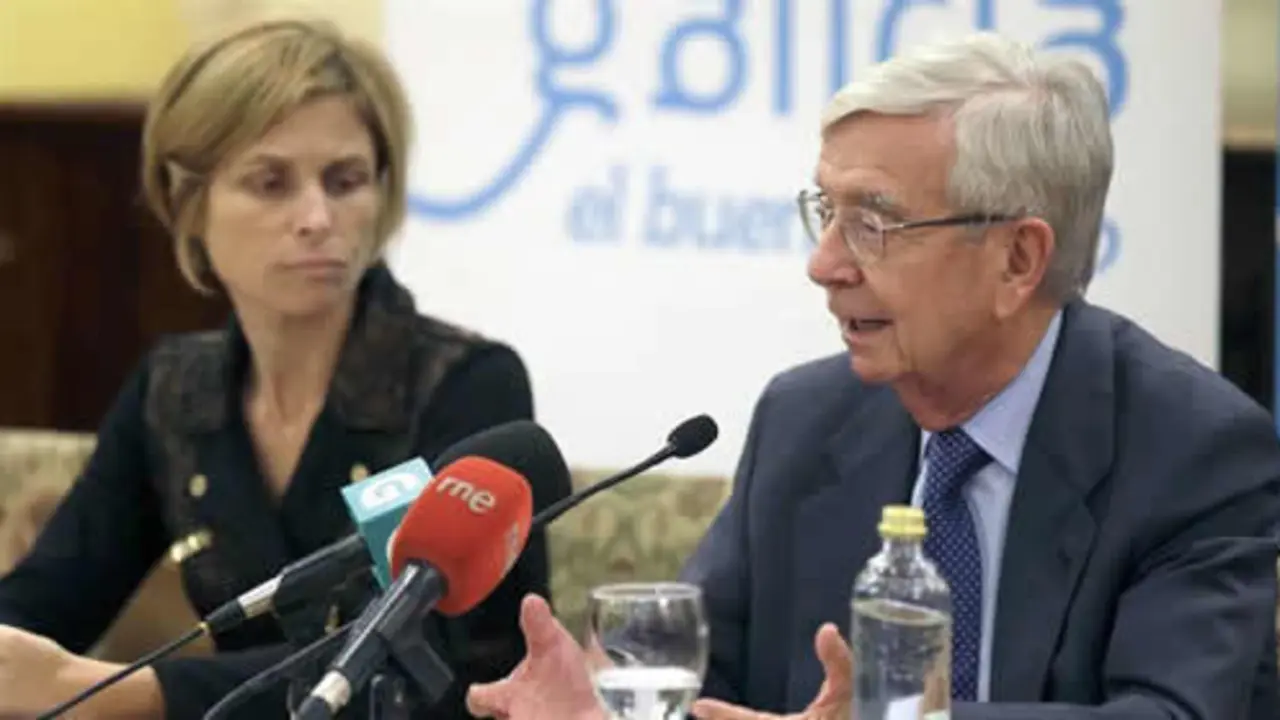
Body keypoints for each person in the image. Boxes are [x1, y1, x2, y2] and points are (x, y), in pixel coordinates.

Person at [465, 32, 1280, 720]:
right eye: (826, 212)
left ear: (1019, 259)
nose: (824, 265)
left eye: (874, 222)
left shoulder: (1194, 451)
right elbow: (704, 676)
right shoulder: (806, 418)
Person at [0, 19, 570, 719]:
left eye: (346, 180)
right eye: (270, 183)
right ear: (189, 204)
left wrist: (126, 694)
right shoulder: (175, 391)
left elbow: (453, 661)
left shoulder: (469, 384)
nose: (316, 217)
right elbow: (46, 599)